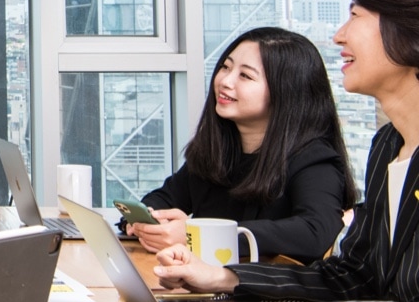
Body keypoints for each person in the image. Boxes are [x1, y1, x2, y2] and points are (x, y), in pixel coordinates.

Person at [154, 0, 419, 302]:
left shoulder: (316, 155)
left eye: (356, 15)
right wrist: (223, 277)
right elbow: (353, 277)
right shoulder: (388, 146)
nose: (338, 35)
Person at [125, 27, 358, 264]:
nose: (225, 81)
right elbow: (162, 199)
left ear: (285, 93)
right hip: (200, 288)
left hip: (268, 297)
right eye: (226, 67)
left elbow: (315, 232)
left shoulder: (314, 161)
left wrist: (199, 236)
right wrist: (150, 222)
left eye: (245, 76)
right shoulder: (218, 151)